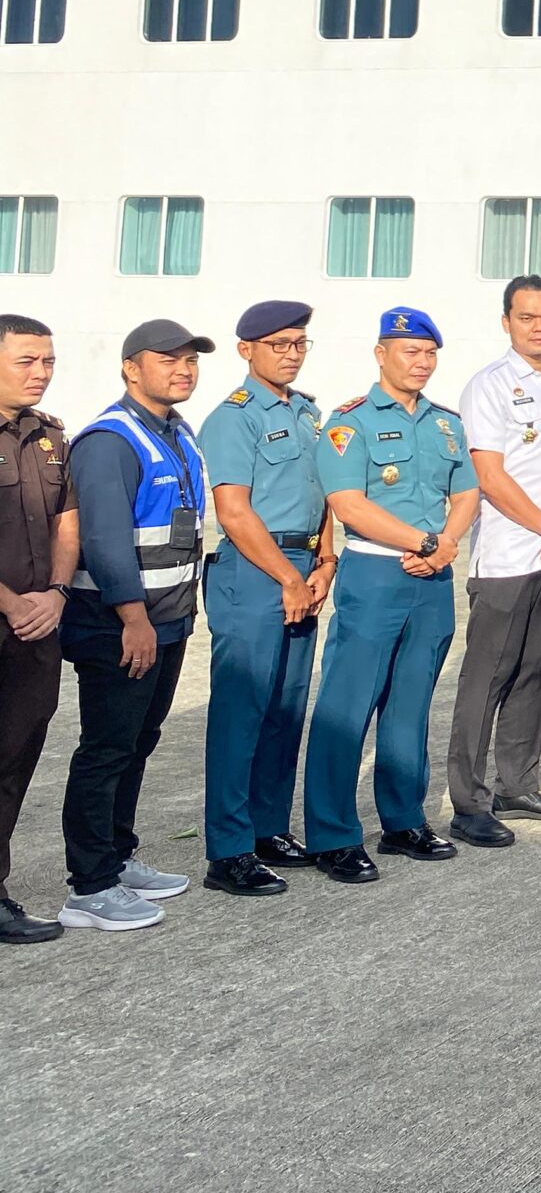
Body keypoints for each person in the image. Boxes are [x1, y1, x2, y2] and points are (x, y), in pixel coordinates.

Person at [306, 308, 481, 883]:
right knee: (346, 708)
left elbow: (467, 492)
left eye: (429, 353)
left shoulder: (446, 423)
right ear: (381, 354)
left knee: (410, 706)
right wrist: (426, 540)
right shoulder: (348, 423)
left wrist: (446, 544)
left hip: (433, 581)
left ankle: (403, 822)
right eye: (409, 351)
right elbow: (348, 504)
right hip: (376, 576)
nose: (421, 363)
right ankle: (333, 836)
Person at [58, 318, 214, 931]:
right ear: (131, 368)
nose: (184, 369)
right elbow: (103, 539)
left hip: (165, 621)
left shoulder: (175, 430)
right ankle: (90, 887)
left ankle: (118, 859)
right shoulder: (111, 440)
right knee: (106, 748)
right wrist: (133, 619)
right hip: (118, 624)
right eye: (168, 359)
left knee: (138, 744)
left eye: (191, 361)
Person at [447, 276, 541, 848]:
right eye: (527, 316)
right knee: (486, 681)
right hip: (508, 559)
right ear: (506, 320)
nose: (540, 325)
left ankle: (518, 785)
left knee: (537, 674)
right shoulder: (489, 386)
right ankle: (468, 802)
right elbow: (490, 476)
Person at [197, 300, 332, 898]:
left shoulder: (308, 413)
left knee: (285, 708)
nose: (292, 354)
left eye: (300, 343)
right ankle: (228, 850)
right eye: (280, 344)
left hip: (303, 564)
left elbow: (327, 493)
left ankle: (267, 829)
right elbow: (233, 510)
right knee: (242, 711)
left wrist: (326, 561)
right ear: (246, 349)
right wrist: (288, 578)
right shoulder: (235, 417)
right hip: (256, 569)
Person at [0, 316, 72, 945]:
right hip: (9, 615)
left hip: (36, 626)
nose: (41, 373)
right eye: (27, 360)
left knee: (14, 758)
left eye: (47, 361)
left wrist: (54, 593)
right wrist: (10, 601)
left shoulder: (51, 437)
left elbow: (66, 522)